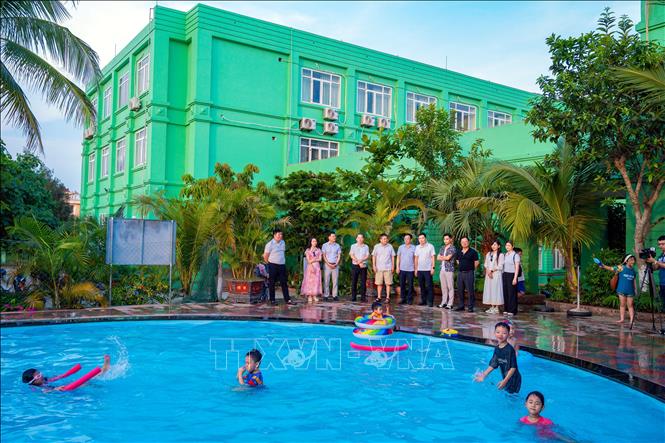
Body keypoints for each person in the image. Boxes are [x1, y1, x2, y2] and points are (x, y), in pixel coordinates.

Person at [475, 321, 522, 394]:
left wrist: (505, 381)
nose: (500, 335)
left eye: (504, 333)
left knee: (511, 396)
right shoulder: (497, 348)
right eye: (498, 332)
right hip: (506, 376)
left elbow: (513, 368)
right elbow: (494, 363)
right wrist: (484, 375)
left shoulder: (510, 350)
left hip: (513, 378)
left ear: (508, 334)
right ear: (494, 333)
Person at [23, 355, 111, 391]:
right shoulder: (34, 387)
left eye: (40, 373)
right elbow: (44, 391)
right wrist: (55, 389)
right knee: (86, 382)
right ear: (33, 381)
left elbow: (58, 378)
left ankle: (103, 369)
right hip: (63, 391)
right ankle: (103, 370)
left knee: (87, 382)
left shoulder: (45, 380)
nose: (41, 375)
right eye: (38, 375)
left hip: (62, 387)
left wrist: (64, 375)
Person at [597, 254, 638, 324]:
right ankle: (622, 319)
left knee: (630, 305)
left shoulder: (633, 270)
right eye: (631, 260)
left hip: (630, 290)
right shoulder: (621, 268)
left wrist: (635, 289)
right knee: (622, 304)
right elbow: (611, 268)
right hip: (621, 289)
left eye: (633, 260)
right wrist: (603, 266)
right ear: (626, 261)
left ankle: (632, 320)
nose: (633, 261)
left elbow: (634, 280)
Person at [263, 229, 295, 306]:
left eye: (281, 234)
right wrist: (269, 263)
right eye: (279, 234)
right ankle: (272, 300)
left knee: (284, 282)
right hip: (273, 265)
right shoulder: (269, 244)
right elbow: (265, 256)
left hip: (282, 265)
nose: (280, 236)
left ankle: (287, 299)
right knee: (272, 283)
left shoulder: (283, 242)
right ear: (274, 235)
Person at [454, 236, 480, 312]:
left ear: (468, 242)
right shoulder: (459, 251)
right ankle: (461, 305)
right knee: (460, 290)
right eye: (462, 242)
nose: (464, 243)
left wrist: (470, 268)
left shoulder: (473, 252)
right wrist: (462, 267)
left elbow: (476, 262)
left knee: (470, 290)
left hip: (469, 273)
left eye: (466, 241)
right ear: (461, 243)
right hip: (460, 273)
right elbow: (457, 261)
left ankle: (470, 307)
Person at [372, 233, 396, 303]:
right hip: (379, 268)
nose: (385, 240)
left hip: (388, 268)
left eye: (386, 239)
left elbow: (392, 256)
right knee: (379, 283)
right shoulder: (376, 246)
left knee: (388, 283)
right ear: (380, 240)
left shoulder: (390, 246)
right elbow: (374, 256)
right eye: (384, 239)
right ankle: (379, 297)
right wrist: (374, 265)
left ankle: (388, 297)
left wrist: (393, 266)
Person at [482, 240, 504, 314]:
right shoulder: (489, 254)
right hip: (488, 275)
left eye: (495, 245)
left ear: (499, 246)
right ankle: (492, 306)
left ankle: (496, 307)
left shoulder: (501, 255)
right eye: (492, 245)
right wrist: (488, 271)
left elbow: (500, 266)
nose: (493, 246)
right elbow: (486, 264)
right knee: (490, 289)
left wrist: (491, 271)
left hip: (496, 274)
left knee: (496, 290)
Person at [414, 233, 436, 307]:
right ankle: (423, 301)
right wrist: (416, 269)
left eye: (422, 238)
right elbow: (416, 258)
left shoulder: (430, 246)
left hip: (428, 269)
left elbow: (433, 257)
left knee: (429, 286)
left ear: (425, 238)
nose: (421, 239)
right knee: (422, 286)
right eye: (419, 238)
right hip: (420, 270)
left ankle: (430, 301)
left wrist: (433, 267)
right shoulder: (417, 247)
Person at [437, 233, 457, 309]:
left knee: (450, 287)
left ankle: (450, 304)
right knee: (443, 287)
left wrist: (442, 257)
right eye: (444, 239)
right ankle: (444, 302)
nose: (445, 240)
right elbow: (438, 258)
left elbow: (448, 258)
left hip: (449, 270)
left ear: (450, 239)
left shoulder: (453, 248)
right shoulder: (442, 247)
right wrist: (444, 257)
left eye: (447, 239)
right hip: (442, 269)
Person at [646, 235, 665, 313]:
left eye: (663, 244)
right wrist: (649, 262)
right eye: (659, 244)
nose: (660, 246)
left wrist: (655, 261)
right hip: (662, 283)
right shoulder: (661, 256)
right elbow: (656, 267)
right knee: (663, 305)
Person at [322, 232, 342, 302]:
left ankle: (335, 295)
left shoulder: (337, 245)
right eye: (333, 236)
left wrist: (336, 263)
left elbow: (339, 255)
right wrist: (328, 264)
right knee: (326, 280)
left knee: (335, 281)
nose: (334, 237)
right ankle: (326, 295)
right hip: (327, 265)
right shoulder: (324, 245)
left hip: (335, 265)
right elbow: (324, 256)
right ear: (329, 237)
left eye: (335, 236)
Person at [301, 238, 322, 303]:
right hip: (310, 266)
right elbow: (308, 260)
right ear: (310, 242)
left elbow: (320, 259)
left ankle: (314, 295)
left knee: (316, 281)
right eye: (313, 241)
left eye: (315, 241)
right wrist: (314, 260)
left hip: (317, 267)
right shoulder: (308, 250)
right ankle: (309, 296)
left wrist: (313, 260)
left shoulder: (318, 250)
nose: (315, 242)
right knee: (310, 281)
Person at [349, 234, 370, 302]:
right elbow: (351, 255)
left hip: (363, 266)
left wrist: (361, 261)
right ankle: (353, 297)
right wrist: (358, 262)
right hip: (355, 265)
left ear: (363, 239)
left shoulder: (366, 246)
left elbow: (367, 255)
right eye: (358, 238)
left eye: (361, 238)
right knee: (354, 281)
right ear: (356, 239)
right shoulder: (353, 246)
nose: (360, 239)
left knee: (363, 282)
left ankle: (363, 298)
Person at [396, 234, 416, 305]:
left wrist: (415, 268)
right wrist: (397, 267)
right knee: (402, 284)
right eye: (405, 239)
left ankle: (410, 299)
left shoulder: (414, 248)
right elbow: (398, 257)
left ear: (411, 239)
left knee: (410, 285)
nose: (406, 240)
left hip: (411, 269)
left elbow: (415, 258)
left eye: (408, 238)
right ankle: (403, 298)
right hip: (402, 269)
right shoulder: (401, 247)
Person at [503, 241, 521, 316]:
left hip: (512, 274)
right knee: (505, 292)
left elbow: (517, 268)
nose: (507, 247)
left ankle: (512, 310)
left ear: (512, 246)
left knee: (512, 293)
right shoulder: (505, 255)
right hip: (505, 274)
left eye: (509, 245)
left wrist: (515, 278)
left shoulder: (515, 255)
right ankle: (506, 309)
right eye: (506, 245)